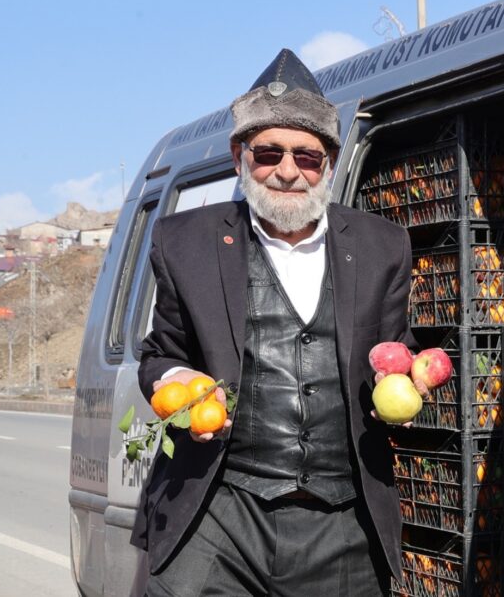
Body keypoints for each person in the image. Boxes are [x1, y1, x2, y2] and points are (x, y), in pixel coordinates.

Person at [131, 48, 416, 596]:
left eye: (308, 157)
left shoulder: (384, 246)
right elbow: (161, 351)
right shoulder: (184, 241)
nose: (288, 171)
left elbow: (396, 349)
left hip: (342, 525)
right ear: (241, 155)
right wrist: (174, 382)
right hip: (217, 515)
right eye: (269, 152)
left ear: (329, 162)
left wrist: (401, 384)